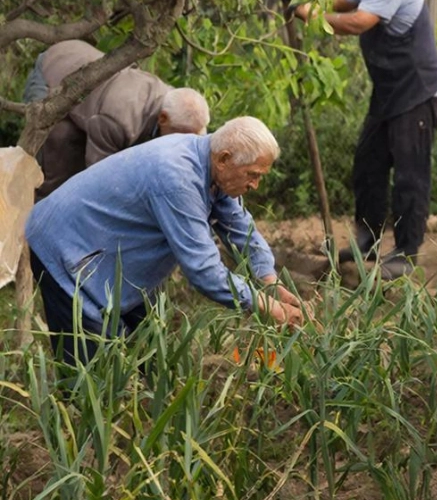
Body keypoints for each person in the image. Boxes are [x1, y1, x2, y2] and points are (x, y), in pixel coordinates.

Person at [25, 116, 309, 366]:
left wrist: (270, 283)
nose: (255, 185)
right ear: (224, 159)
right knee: (92, 371)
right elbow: (205, 271)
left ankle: (143, 413)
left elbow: (239, 226)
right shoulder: (177, 178)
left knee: (151, 354)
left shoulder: (211, 164)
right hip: (65, 246)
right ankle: (79, 419)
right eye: (253, 175)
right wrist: (266, 306)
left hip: (110, 249)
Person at [295, 0, 437, 279]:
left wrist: (311, 16)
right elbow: (343, 1)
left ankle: (407, 252)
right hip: (392, 93)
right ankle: (368, 237)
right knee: (368, 163)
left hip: (420, 92)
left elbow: (357, 22)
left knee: (410, 174)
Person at [31, 40, 210, 198]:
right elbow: (98, 179)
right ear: (163, 118)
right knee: (59, 158)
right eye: (183, 137)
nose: (185, 144)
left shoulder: (172, 99)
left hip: (92, 84)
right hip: (55, 71)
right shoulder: (120, 121)